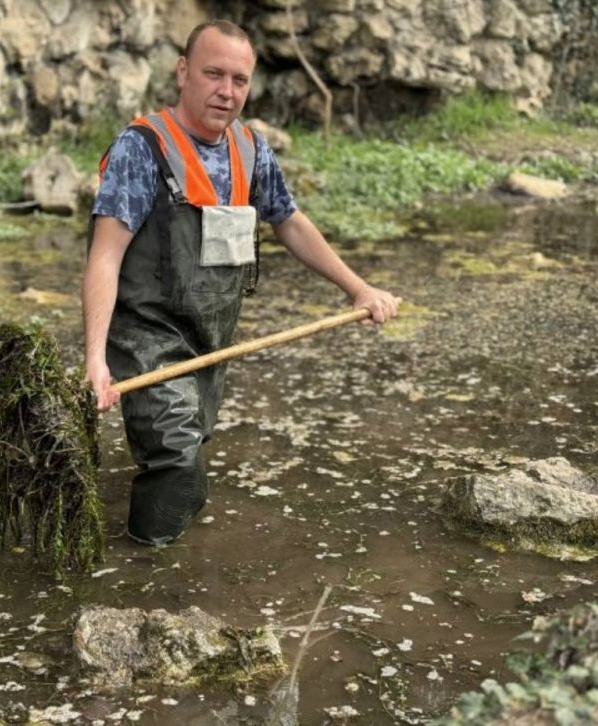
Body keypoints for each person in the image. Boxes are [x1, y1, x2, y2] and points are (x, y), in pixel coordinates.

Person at [82, 19, 400, 546]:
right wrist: (95, 357)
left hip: (211, 341)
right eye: (213, 74)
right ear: (183, 71)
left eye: (239, 80)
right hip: (145, 339)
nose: (226, 92)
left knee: (186, 447)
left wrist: (357, 288)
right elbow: (104, 257)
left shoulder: (252, 152)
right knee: (179, 468)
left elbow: (291, 223)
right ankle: (144, 580)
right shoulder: (140, 150)